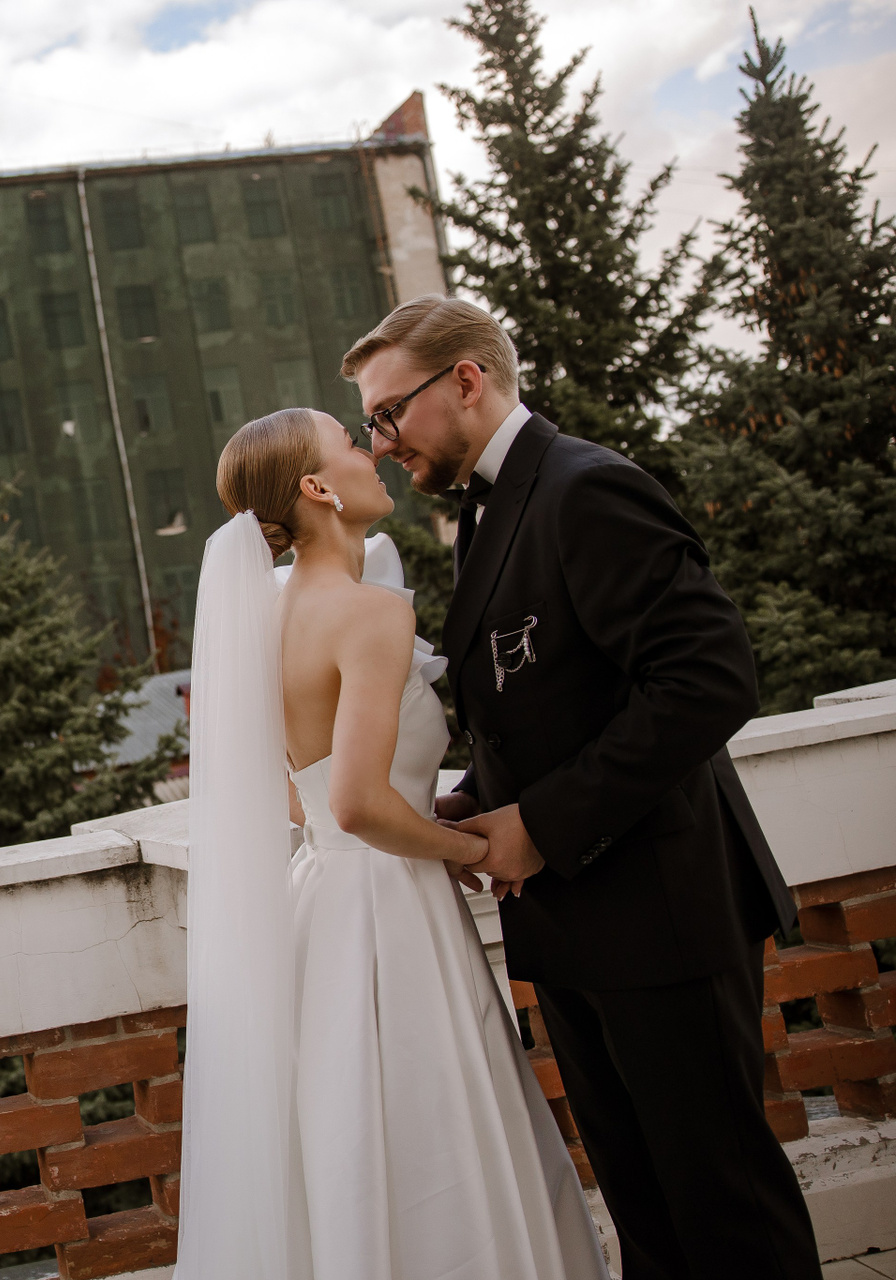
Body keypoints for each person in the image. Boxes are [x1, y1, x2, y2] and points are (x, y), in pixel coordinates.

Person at [345, 294, 819, 1280]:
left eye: (389, 413)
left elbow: (708, 680)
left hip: (663, 914)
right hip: (576, 922)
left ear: (466, 380)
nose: (381, 444)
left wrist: (543, 824)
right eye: (371, 423)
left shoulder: (586, 487)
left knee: (725, 1211)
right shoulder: (485, 509)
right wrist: (476, 795)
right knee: (647, 1214)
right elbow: (556, 694)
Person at [176, 406, 608, 1279]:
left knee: (348, 1134)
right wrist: (475, 852)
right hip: (390, 911)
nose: (372, 451)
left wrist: (423, 812)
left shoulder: (267, 618)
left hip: (322, 905)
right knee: (431, 1126)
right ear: (318, 487)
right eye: (349, 442)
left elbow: (302, 798)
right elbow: (360, 804)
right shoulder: (367, 613)